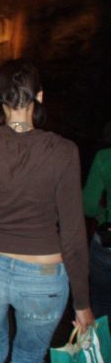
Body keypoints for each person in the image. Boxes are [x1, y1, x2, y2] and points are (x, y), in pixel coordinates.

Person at [0, 59, 94, 363]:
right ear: (39, 96)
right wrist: (82, 303)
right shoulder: (64, 151)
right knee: (28, 355)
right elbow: (73, 234)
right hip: (43, 277)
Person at [82, 123, 111, 318]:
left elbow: (89, 205)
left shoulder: (105, 157)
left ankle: (101, 336)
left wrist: (103, 215)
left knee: (101, 302)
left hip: (108, 241)